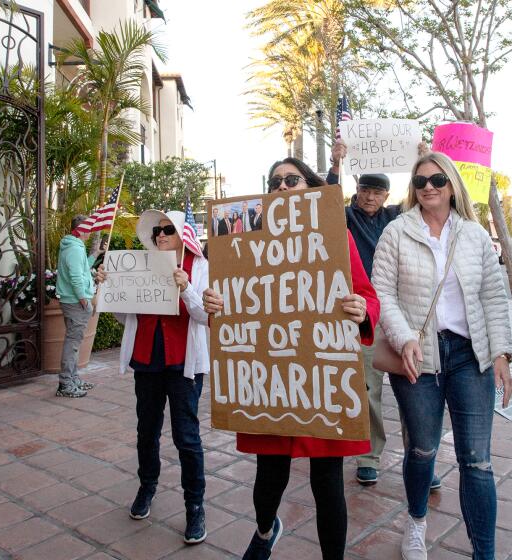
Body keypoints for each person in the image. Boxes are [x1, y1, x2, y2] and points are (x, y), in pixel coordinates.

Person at [203, 157, 380, 560]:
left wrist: (360, 309)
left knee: (328, 485)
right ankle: (266, 531)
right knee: (269, 478)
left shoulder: (336, 234)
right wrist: (216, 305)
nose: (281, 187)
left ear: (310, 187)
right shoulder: (244, 240)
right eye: (274, 181)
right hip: (270, 382)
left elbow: (367, 296)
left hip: (320, 381)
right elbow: (234, 309)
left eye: (291, 179)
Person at [372, 151, 512, 560]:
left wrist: (502, 353)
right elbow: (384, 293)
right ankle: (416, 523)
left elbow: (494, 296)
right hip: (418, 358)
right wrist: (403, 338)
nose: (428, 187)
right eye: (420, 182)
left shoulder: (471, 235)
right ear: (412, 189)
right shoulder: (397, 232)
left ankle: (483, 553)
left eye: (437, 180)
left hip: (471, 356)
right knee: (422, 449)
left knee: (477, 462)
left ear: (452, 185)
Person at [328, 144, 443, 490]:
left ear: (386, 195)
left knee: (416, 387)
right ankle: (369, 457)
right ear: (357, 190)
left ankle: (422, 457)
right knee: (368, 391)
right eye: (365, 190)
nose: (370, 197)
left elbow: (423, 195)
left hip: (402, 314)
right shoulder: (344, 217)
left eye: (377, 191)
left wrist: (425, 154)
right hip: (364, 315)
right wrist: (337, 163)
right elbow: (327, 199)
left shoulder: (397, 217)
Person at [95, 210, 209, 545]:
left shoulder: (199, 268)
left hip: (183, 363)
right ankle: (147, 487)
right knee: (146, 431)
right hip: (147, 360)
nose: (161, 235)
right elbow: (123, 313)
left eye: (168, 230)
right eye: (157, 231)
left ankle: (195, 506)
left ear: (181, 235)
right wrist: (108, 288)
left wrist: (186, 288)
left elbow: (205, 316)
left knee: (186, 437)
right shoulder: (139, 264)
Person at [55, 215, 99, 398]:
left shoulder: (74, 247)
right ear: (81, 229)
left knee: (73, 342)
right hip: (75, 302)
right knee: (72, 343)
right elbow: (75, 277)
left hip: (72, 301)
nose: (90, 231)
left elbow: (81, 270)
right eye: (88, 228)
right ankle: (66, 383)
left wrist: (93, 256)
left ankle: (72, 379)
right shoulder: (74, 249)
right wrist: (84, 300)